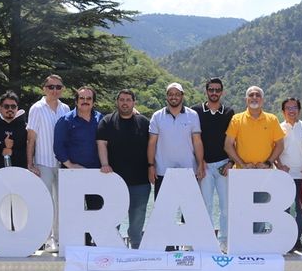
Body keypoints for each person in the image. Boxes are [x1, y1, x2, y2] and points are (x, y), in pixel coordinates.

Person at [225, 86, 286, 234]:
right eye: (251, 95)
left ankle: (258, 242)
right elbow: (228, 145)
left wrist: (268, 163)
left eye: (257, 95)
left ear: (262, 100)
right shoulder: (236, 119)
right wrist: (242, 164)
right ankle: (241, 241)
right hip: (241, 174)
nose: (254, 97)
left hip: (264, 174)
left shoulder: (272, 119)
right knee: (241, 210)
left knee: (261, 211)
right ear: (246, 99)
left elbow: (280, 145)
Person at [97, 90, 151, 248]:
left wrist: (151, 166)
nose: (125, 103)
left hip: (140, 180)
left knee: (138, 216)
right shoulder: (107, 121)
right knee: (113, 217)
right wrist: (104, 164)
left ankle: (136, 246)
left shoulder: (144, 122)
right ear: (117, 102)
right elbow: (101, 144)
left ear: (134, 102)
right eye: (122, 100)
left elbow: (152, 146)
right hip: (114, 180)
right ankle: (113, 247)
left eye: (128, 100)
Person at [26, 75, 70, 251]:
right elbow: (31, 138)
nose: (54, 90)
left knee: (61, 203)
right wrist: (30, 163)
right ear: (44, 89)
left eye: (58, 87)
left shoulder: (65, 108)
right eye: (51, 87)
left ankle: (58, 239)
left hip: (62, 163)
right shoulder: (36, 108)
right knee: (45, 202)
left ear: (62, 89)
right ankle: (45, 239)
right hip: (42, 162)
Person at [55, 86, 103, 246]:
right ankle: (76, 245)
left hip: (96, 174)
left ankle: (92, 244)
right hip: (72, 173)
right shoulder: (65, 120)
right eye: (82, 98)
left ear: (93, 102)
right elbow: (58, 147)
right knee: (73, 211)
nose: (85, 101)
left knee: (96, 210)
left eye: (89, 99)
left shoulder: (100, 119)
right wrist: (70, 165)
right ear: (76, 101)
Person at [194, 77, 234, 250]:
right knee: (205, 206)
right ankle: (207, 242)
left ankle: (224, 241)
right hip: (204, 166)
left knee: (225, 207)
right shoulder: (196, 111)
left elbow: (234, 139)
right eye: (211, 89)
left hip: (224, 165)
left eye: (217, 90)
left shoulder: (229, 112)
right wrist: (199, 161)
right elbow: (193, 138)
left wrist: (231, 161)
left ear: (222, 92)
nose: (214, 93)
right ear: (206, 91)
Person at [148, 82, 205, 197]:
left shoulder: (193, 115)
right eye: (170, 94)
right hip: (162, 171)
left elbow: (197, 141)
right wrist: (151, 166)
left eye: (177, 94)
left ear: (182, 96)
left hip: (189, 170)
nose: (173, 97)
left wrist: (200, 164)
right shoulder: (157, 116)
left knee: (188, 208)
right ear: (166, 96)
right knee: (163, 208)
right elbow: (152, 143)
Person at [276, 97, 302, 252]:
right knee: (283, 212)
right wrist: (279, 165)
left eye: (294, 108)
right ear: (283, 111)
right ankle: (286, 241)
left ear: (299, 110)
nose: (291, 111)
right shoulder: (278, 128)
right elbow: (274, 150)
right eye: (288, 108)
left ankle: (295, 240)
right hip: (284, 176)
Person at [0, 91, 28, 171]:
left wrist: (12, 152)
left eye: (13, 106)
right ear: (0, 107)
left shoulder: (26, 128)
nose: (10, 109)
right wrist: (2, 145)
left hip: (21, 172)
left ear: (17, 108)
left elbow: (31, 151)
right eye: (6, 106)